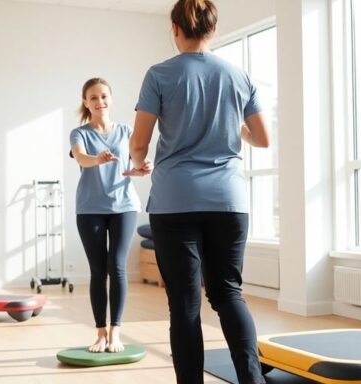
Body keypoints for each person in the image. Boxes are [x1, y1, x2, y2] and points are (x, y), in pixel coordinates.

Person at [128, 0, 271, 382]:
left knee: (185, 305)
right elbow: (262, 138)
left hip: (176, 200)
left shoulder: (160, 74)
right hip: (228, 200)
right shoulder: (239, 75)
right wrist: (231, 128)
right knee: (228, 294)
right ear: (213, 28)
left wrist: (138, 160)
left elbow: (140, 142)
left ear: (175, 28)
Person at [70, 77, 152, 353]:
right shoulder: (79, 134)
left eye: (103, 96)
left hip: (124, 206)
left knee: (117, 267)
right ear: (86, 102)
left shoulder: (126, 131)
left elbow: (133, 164)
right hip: (90, 209)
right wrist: (97, 160)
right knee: (98, 271)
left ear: (111, 99)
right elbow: (81, 158)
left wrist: (141, 169)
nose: (99, 101)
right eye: (93, 97)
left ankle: (116, 332)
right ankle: (100, 334)